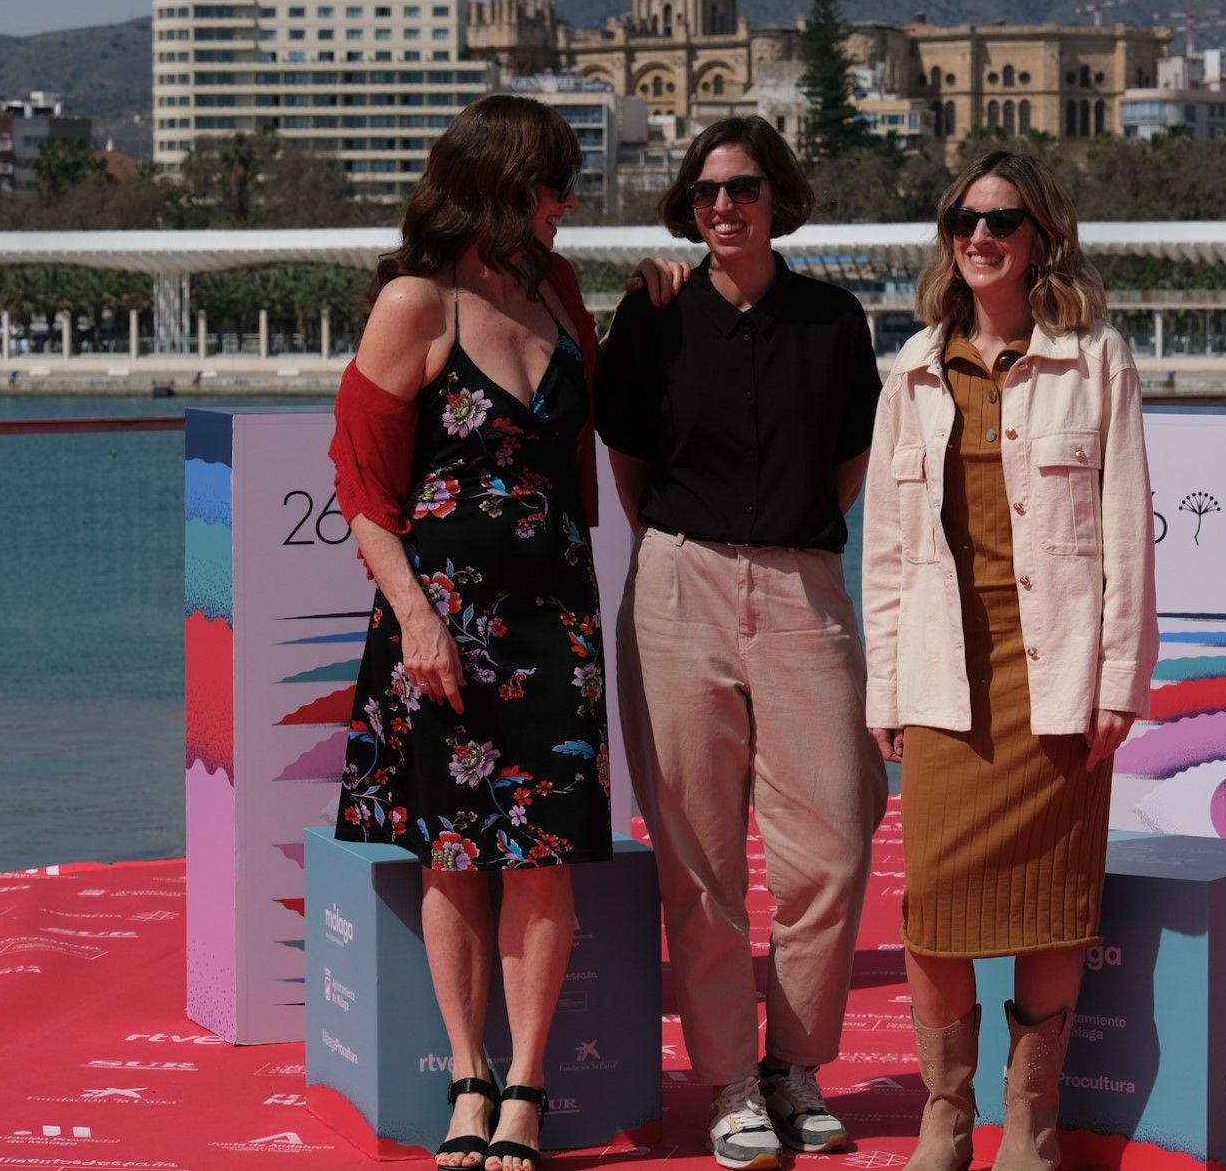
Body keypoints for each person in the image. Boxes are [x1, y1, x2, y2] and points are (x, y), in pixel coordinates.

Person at [597, 117, 889, 1171]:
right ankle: (729, 1080)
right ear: (687, 205)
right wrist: (686, 548)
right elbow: (628, 460)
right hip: (679, 582)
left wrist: (781, 541)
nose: (725, 206)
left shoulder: (831, 318)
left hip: (802, 582)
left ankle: (796, 1067)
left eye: (744, 188)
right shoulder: (652, 317)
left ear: (778, 198)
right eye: (706, 192)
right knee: (698, 852)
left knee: (833, 837)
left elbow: (850, 458)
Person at [328, 95, 609, 1171]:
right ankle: (466, 1075)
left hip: (557, 624)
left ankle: (527, 1081)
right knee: (455, 859)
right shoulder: (418, 300)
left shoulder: (559, 288)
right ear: (498, 183)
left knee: (543, 860)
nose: (565, 203)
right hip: (443, 626)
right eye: (551, 184)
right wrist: (414, 620)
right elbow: (359, 482)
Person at [862, 151, 1157, 1171]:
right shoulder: (907, 368)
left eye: (999, 218)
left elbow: (1126, 535)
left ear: (1039, 237)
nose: (977, 236)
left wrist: (1118, 682)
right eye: (961, 219)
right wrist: (881, 684)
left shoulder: (1096, 359)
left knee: (1052, 905)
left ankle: (1029, 1120)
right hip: (946, 671)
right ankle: (945, 1114)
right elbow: (889, 554)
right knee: (931, 912)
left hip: (1057, 671)